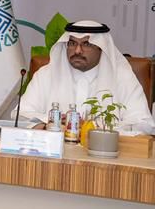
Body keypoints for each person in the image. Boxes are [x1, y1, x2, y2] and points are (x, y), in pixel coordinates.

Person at [20, 20, 154, 133]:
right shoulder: (46, 75)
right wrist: (53, 122)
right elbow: (21, 115)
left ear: (101, 48)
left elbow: (144, 125)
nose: (77, 50)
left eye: (86, 44)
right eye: (72, 43)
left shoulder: (122, 78)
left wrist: (94, 127)